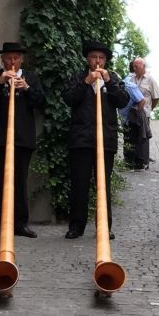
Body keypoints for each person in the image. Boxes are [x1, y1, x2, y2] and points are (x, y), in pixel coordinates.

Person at [63, 40, 129, 240]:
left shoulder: (114, 78)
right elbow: (68, 99)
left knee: (103, 184)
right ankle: (76, 226)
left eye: (101, 58)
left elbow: (123, 101)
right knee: (79, 184)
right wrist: (86, 83)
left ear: (106, 60)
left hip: (106, 139)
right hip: (81, 139)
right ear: (87, 59)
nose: (97, 61)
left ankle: (104, 226)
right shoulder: (78, 77)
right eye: (93, 57)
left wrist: (109, 82)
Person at [0, 42, 45, 239]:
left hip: (22, 139)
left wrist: (27, 88)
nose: (12, 62)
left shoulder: (31, 78)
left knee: (19, 183)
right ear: (2, 59)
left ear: (22, 59)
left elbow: (42, 103)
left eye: (16, 58)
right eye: (8, 58)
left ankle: (20, 224)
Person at [123, 57, 159, 170]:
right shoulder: (131, 78)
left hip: (143, 112)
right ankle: (130, 161)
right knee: (130, 135)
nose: (134, 69)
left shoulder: (150, 80)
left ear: (143, 67)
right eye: (133, 66)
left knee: (142, 137)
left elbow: (156, 97)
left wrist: (149, 109)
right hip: (131, 112)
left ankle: (142, 162)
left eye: (137, 67)